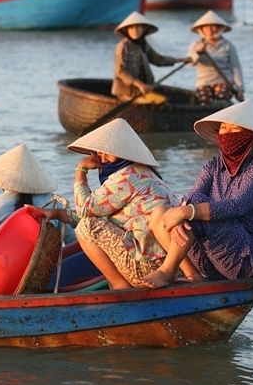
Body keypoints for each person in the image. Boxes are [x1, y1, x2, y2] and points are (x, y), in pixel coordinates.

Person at [138, 100, 253, 289]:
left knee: (190, 208)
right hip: (213, 261)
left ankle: (167, 272)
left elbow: (236, 206)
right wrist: (181, 214)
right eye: (223, 127)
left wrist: (186, 212)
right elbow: (191, 196)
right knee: (160, 213)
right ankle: (193, 274)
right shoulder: (213, 166)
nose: (228, 133)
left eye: (235, 128)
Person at [41, 119, 199, 290]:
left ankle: (119, 285)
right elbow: (98, 212)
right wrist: (57, 214)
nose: (101, 156)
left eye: (109, 151)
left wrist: (81, 171)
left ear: (124, 153)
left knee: (86, 227)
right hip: (171, 264)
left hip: (153, 266)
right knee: (93, 222)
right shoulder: (144, 172)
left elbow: (85, 210)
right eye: (99, 151)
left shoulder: (126, 177)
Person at [0, 144, 75, 246]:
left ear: (2, 180)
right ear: (37, 177)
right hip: (48, 261)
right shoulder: (54, 202)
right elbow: (71, 241)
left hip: (10, 261)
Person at [111, 11, 188, 101]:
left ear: (144, 29)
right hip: (127, 92)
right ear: (127, 30)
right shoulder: (123, 46)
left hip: (144, 90)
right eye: (132, 27)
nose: (135, 30)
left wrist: (182, 60)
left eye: (138, 27)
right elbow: (121, 71)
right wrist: (140, 85)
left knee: (163, 100)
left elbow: (158, 60)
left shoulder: (143, 44)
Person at [188, 10, 245, 105]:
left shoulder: (228, 45)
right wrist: (198, 52)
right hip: (203, 82)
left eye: (213, 26)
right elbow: (190, 63)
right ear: (201, 29)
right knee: (205, 101)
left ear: (219, 28)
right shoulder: (196, 44)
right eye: (206, 27)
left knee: (221, 99)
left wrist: (240, 89)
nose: (209, 30)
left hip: (224, 81)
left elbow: (236, 68)